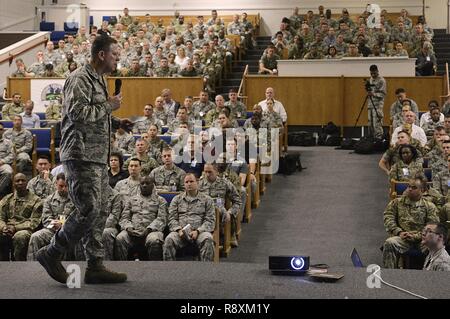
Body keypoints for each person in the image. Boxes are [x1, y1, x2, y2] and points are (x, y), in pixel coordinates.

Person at [36, 35, 132, 284]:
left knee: (99, 211)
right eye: (115, 55)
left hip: (97, 156)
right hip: (80, 155)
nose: (117, 59)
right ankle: (52, 252)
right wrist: (110, 106)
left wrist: (117, 121)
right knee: (88, 210)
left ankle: (95, 265)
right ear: (101, 55)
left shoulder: (99, 79)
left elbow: (96, 115)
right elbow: (78, 114)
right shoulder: (79, 78)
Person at [383, 177, 439, 268]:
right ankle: (390, 274)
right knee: (389, 243)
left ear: (422, 190)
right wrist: (399, 232)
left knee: (435, 246)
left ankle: (430, 276)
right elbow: (388, 217)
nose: (409, 189)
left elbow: (433, 227)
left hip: (423, 240)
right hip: (403, 238)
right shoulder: (397, 202)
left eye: (414, 187)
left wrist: (416, 236)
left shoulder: (429, 206)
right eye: (409, 186)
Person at [163, 173, 216, 261]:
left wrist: (198, 231)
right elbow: (171, 218)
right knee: (169, 240)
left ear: (197, 182)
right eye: (186, 182)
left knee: (208, 239)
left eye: (191, 181)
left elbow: (210, 220)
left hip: (200, 233)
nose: (189, 184)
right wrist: (179, 230)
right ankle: (169, 270)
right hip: (180, 233)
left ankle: (207, 270)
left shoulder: (207, 199)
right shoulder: (177, 199)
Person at [115, 176, 167, 260]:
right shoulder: (131, 200)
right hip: (132, 232)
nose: (144, 185)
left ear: (153, 185)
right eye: (142, 183)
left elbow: (161, 219)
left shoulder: (160, 200)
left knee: (154, 240)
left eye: (147, 183)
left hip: (151, 231)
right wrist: (128, 227)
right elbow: (124, 218)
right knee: (120, 238)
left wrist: (149, 229)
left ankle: (155, 269)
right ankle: (122, 268)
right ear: (139, 185)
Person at [0, 173, 43, 261]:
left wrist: (15, 228)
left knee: (20, 236)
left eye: (23, 180)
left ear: (27, 183)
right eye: (17, 181)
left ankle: (19, 265)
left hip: (25, 230)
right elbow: (0, 217)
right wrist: (4, 227)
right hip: (7, 228)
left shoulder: (37, 200)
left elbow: (34, 222)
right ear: (13, 183)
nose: (20, 183)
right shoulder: (7, 199)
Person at [366, 65, 386, 139]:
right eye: (371, 73)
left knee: (377, 123)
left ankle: (379, 139)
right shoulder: (370, 79)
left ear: (377, 71)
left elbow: (383, 94)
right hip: (370, 104)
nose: (373, 75)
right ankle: (371, 139)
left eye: (374, 73)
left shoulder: (381, 80)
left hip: (378, 105)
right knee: (370, 122)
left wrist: (373, 94)